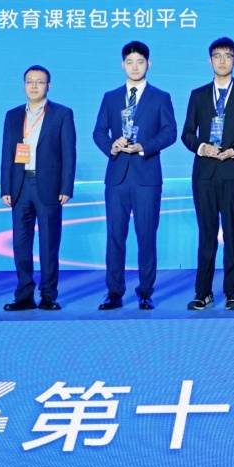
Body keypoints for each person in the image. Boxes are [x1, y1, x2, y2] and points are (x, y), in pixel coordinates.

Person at [93, 40, 176, 310]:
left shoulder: (160, 97)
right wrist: (112, 145)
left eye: (140, 62)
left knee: (146, 236)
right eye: (129, 62)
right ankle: (114, 292)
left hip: (147, 177)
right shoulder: (111, 97)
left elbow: (170, 132)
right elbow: (98, 132)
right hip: (117, 176)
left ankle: (145, 291)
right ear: (122, 65)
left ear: (148, 64)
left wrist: (144, 146)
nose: (135, 67)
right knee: (115, 237)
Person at [181, 37, 234, 310]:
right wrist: (201, 147)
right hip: (204, 174)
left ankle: (232, 291)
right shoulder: (198, 95)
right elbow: (187, 133)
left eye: (228, 55)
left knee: (232, 234)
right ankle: (203, 292)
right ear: (210, 61)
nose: (222, 61)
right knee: (206, 235)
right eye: (217, 56)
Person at [0, 65, 77, 311]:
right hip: (20, 186)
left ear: (48, 86)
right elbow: (7, 153)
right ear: (24, 85)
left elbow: (69, 153)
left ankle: (49, 295)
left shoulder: (62, 113)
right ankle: (24, 295)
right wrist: (5, 187)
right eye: (29, 81)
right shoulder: (12, 115)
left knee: (49, 243)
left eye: (39, 82)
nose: (34, 86)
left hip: (49, 187)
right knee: (20, 244)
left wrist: (66, 187)